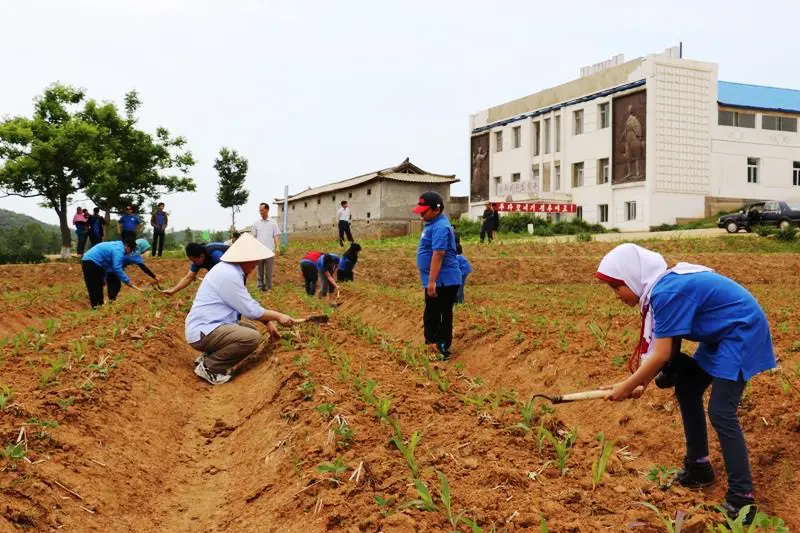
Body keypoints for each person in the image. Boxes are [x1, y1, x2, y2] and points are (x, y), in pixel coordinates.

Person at [596, 243, 775, 525]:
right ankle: (699, 468)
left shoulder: (666, 293)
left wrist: (627, 386)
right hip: (722, 334)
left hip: (741, 330)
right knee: (688, 385)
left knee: (721, 411)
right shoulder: (662, 289)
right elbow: (670, 348)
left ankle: (743, 498)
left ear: (632, 277)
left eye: (616, 287)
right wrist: (643, 381)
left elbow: (663, 353)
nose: (616, 295)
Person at [185, 233, 295, 385]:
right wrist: (279, 316)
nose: (254, 266)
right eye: (254, 263)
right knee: (250, 338)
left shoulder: (229, 271)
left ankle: (209, 357)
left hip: (207, 326)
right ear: (246, 259)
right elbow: (251, 310)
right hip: (203, 331)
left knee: (247, 328)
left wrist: (268, 322)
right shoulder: (229, 274)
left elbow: (247, 304)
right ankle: (210, 367)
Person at [413, 192, 461, 359]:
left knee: (441, 314)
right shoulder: (431, 224)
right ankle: (431, 345)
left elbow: (438, 254)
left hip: (443, 281)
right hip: (435, 280)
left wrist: (432, 281)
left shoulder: (441, 227)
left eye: (424, 211)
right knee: (432, 312)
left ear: (436, 209)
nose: (421, 214)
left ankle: (441, 348)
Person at [81, 239, 143, 308]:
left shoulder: (117, 245)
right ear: (127, 246)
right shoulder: (119, 250)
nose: (129, 253)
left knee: (98, 286)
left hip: (93, 262)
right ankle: (97, 307)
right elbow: (117, 267)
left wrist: (104, 277)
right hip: (91, 262)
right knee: (94, 287)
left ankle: (98, 306)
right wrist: (127, 281)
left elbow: (107, 265)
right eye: (131, 250)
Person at [161, 242, 229, 296]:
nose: (193, 263)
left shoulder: (215, 254)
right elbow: (188, 277)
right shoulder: (197, 260)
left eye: (194, 261)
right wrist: (173, 291)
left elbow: (230, 270)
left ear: (201, 256)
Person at [251, 202, 281, 292]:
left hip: (269, 251)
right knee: (259, 270)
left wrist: (278, 247)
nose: (261, 212)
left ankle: (268, 287)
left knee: (269, 271)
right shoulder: (256, 223)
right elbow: (253, 237)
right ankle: (260, 286)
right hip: (259, 251)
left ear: (267, 210)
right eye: (260, 210)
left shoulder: (273, 223)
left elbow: (276, 236)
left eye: (262, 210)